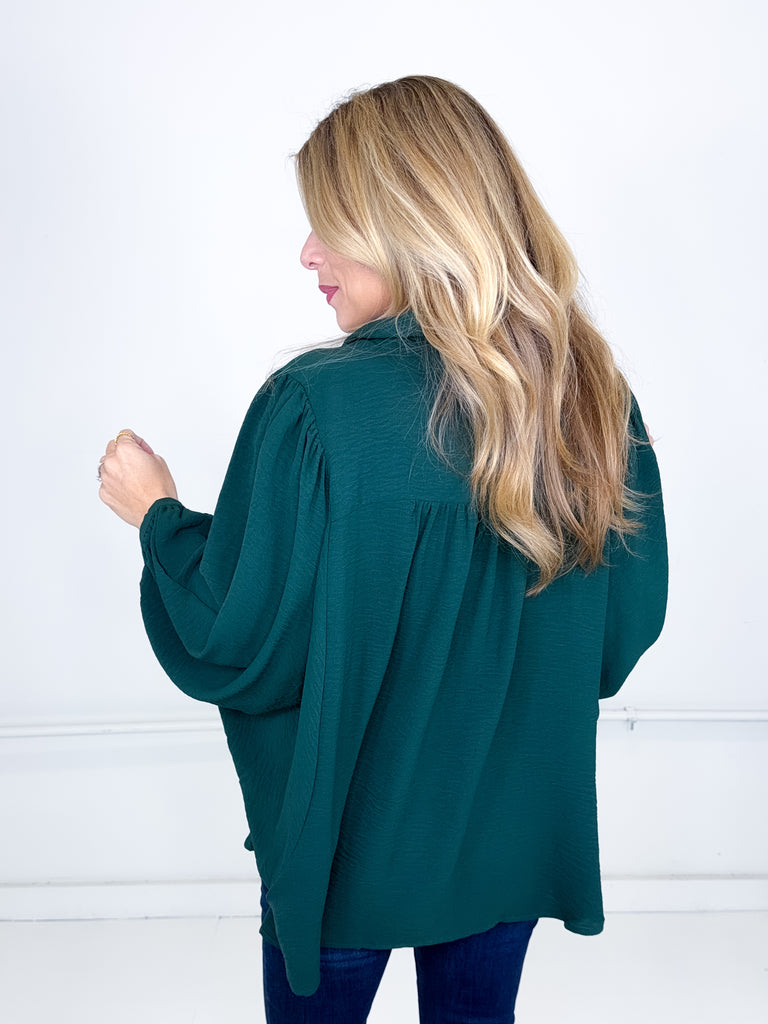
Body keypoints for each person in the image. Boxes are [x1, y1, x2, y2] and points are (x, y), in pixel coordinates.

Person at [98, 75, 667, 1023]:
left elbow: (239, 639)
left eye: (330, 226)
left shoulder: (316, 408)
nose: (307, 253)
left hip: (347, 855)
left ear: (406, 223)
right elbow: (618, 636)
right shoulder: (591, 396)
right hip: (506, 838)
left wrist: (157, 515)